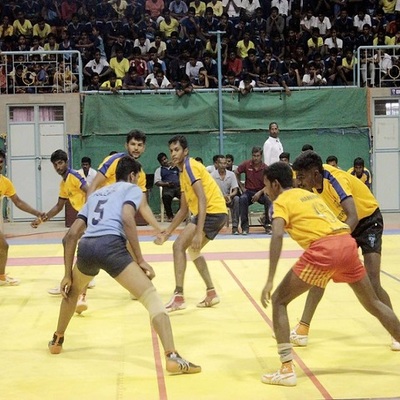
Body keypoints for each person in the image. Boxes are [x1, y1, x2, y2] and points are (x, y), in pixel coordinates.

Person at [47, 156, 201, 375]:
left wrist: (66, 275)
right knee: (151, 297)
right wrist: (139, 260)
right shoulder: (131, 189)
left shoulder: (96, 194)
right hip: (112, 247)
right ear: (132, 176)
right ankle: (172, 357)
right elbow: (128, 218)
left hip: (87, 248)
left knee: (72, 292)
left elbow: (71, 236)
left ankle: (57, 340)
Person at [260, 161, 400, 387]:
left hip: (325, 249)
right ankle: (303, 328)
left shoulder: (281, 201)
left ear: (276, 185)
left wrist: (269, 279)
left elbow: (277, 235)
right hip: (346, 242)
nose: (266, 191)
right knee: (373, 302)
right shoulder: (311, 196)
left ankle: (286, 368)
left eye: (266, 186)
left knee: (278, 300)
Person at [291, 151, 400, 351]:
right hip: (343, 224)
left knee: (373, 281)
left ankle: (396, 332)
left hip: (367, 221)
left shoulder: (335, 180)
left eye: (301, 177)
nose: (299, 181)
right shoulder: (310, 181)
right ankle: (303, 329)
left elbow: (353, 215)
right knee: (321, 273)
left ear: (315, 174)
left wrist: (337, 241)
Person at [154, 135, 227, 312]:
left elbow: (202, 199)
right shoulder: (181, 172)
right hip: (211, 213)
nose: (173, 153)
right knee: (193, 252)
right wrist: (167, 232)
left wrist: (197, 232)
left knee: (179, 247)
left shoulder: (190, 166)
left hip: (212, 211)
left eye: (177, 150)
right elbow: (184, 209)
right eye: (171, 150)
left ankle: (178, 296)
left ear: (185, 151)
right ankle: (211, 292)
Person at [31, 150, 93, 309]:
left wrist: (89, 213)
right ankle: (71, 279)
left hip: (90, 215)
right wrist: (42, 219)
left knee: (81, 248)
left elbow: (90, 191)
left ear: (67, 161)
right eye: (55, 164)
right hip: (84, 215)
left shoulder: (74, 176)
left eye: (60, 163)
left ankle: (81, 295)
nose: (58, 166)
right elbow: (59, 206)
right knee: (68, 242)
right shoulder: (64, 183)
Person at [88, 130, 161, 234]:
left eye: (139, 145)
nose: (136, 148)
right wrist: (88, 213)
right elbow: (93, 185)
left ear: (144, 148)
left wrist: (158, 228)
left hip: (118, 217)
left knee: (126, 244)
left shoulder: (140, 174)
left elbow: (143, 206)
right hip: (100, 213)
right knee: (72, 235)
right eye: (133, 144)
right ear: (126, 145)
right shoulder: (113, 160)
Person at [0, 149, 45, 286]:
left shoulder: (5, 182)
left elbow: (18, 202)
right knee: (3, 246)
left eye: (1, 162)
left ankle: (1, 277)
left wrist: (37, 213)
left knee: (3, 247)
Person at [235, 146, 271, 235]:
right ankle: (245, 228)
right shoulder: (247, 164)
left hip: (261, 192)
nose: (255, 158)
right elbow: (236, 172)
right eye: (254, 155)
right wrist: (241, 187)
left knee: (268, 199)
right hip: (249, 192)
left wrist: (260, 192)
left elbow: (269, 183)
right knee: (242, 199)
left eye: (257, 156)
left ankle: (268, 225)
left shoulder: (265, 168)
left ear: (261, 156)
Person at [211, 155, 239, 234]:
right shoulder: (212, 175)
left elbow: (235, 190)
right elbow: (211, 191)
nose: (223, 165)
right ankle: (212, 228)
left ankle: (235, 227)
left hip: (228, 198)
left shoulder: (231, 175)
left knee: (236, 199)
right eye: (221, 163)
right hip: (217, 199)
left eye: (225, 163)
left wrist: (230, 196)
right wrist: (220, 197)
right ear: (217, 164)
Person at [154, 152, 181, 221]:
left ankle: (180, 215)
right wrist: (166, 184)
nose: (164, 161)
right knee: (165, 197)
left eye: (165, 159)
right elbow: (157, 182)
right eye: (162, 161)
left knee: (185, 196)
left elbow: (183, 173)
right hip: (168, 188)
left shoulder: (175, 167)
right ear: (160, 163)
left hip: (178, 187)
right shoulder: (159, 170)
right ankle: (170, 216)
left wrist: (176, 165)